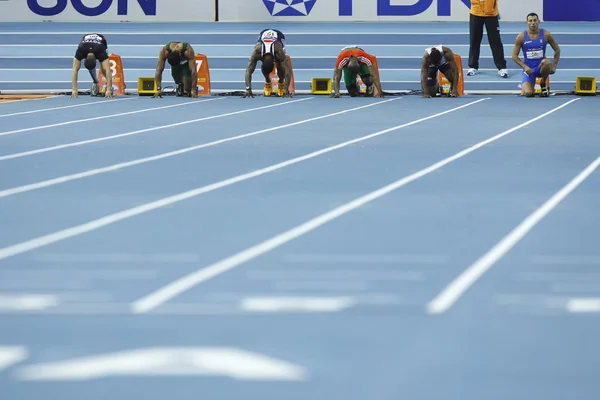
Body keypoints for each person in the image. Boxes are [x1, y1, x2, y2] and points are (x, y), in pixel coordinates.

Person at [512, 12, 561, 97]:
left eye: (535, 20)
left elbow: (557, 50)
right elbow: (514, 56)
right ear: (526, 23)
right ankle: (530, 87)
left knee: (546, 63)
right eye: (530, 21)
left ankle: (543, 83)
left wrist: (554, 66)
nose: (533, 23)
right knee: (528, 93)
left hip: (541, 68)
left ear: (539, 21)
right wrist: (525, 67)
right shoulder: (521, 37)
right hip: (528, 70)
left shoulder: (546, 34)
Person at [467, 0, 509, 78]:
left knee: (495, 41)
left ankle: (502, 67)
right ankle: (473, 66)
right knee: (474, 41)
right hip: (476, 12)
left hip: (491, 13)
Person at [243, 29, 291, 98]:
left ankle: (281, 82)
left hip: (279, 36)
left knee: (280, 66)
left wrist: (286, 88)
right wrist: (248, 89)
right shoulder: (257, 52)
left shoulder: (278, 52)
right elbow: (248, 71)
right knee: (255, 67)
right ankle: (267, 80)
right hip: (263, 34)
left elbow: (287, 71)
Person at [71, 33, 113, 98]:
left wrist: (109, 89)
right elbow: (74, 70)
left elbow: (107, 70)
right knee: (105, 67)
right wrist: (74, 89)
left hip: (101, 40)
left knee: (104, 67)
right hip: (85, 38)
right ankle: (95, 81)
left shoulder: (101, 50)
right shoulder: (80, 50)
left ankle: (108, 85)